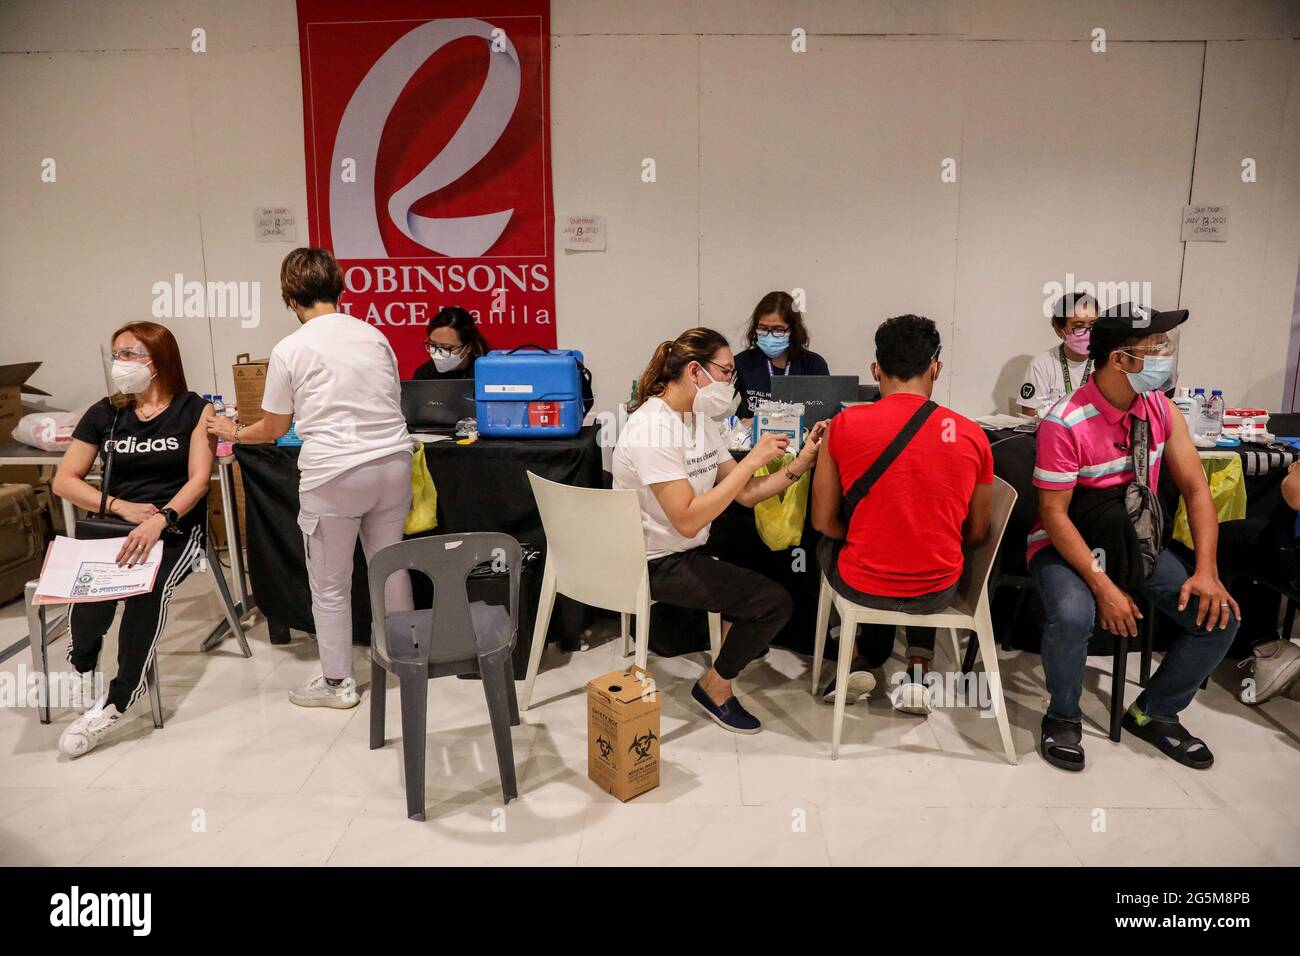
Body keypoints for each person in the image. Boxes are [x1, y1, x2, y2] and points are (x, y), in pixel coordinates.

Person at [1028, 304, 1239, 772]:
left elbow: (1196, 489)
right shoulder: (1064, 421)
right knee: (1072, 613)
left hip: (1136, 539)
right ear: (1120, 360)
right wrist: (1103, 585)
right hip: (1069, 542)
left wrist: (1206, 571)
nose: (1166, 355)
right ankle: (1062, 715)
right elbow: (1054, 516)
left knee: (1219, 617)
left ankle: (1155, 711)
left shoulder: (1159, 408)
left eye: (1166, 346)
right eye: (1156, 348)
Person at [208, 247, 414, 709]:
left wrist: (234, 431)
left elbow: (275, 428)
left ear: (289, 298)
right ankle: (404, 661)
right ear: (338, 288)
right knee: (389, 566)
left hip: (335, 474)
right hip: (394, 465)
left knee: (331, 584)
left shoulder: (290, 349)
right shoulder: (373, 335)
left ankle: (339, 682)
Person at [613, 328, 825, 733]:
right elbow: (688, 518)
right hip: (653, 562)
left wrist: (802, 463)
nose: (732, 382)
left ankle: (736, 633)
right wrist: (752, 460)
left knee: (750, 542)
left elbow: (745, 495)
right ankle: (715, 687)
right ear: (695, 371)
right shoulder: (652, 430)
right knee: (772, 603)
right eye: (726, 372)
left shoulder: (698, 419)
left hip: (683, 547)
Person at [811, 314, 992, 713]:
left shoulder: (843, 425)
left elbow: (823, 521)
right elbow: (978, 530)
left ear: (875, 369)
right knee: (923, 541)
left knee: (833, 542)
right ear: (936, 367)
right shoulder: (971, 434)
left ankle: (858, 657)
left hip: (862, 584)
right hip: (936, 591)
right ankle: (917, 668)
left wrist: (866, 535)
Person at [52, 321, 216, 757]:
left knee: (147, 590)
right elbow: (64, 481)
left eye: (130, 354)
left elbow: (200, 480)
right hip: (114, 528)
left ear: (158, 361)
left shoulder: (193, 410)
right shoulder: (106, 413)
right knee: (91, 593)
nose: (119, 363)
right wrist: (122, 508)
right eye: (116, 354)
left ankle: (118, 700)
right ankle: (82, 662)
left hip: (175, 529)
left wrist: (159, 519)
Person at [734, 291, 830, 419]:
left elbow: (824, 415)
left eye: (778, 329)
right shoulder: (743, 362)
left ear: (793, 330)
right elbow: (718, 402)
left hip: (800, 436)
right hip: (752, 436)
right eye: (762, 328)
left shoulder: (813, 365)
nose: (769, 335)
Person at [1018, 292, 1098, 415]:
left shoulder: (1108, 361)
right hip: (1055, 432)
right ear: (1060, 330)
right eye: (1078, 326)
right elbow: (1029, 416)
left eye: (1093, 324)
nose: (1088, 332)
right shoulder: (1041, 365)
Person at [412, 306, 489, 380]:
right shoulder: (423, 375)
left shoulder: (486, 372)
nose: (437, 354)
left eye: (446, 347)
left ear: (468, 347)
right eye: (433, 345)